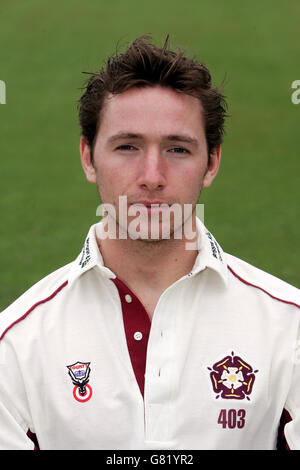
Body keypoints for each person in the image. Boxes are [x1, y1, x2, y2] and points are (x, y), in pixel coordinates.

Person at [0, 34, 299, 451]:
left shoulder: (290, 329)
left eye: (178, 149)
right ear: (88, 157)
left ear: (211, 162)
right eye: (127, 147)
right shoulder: (15, 345)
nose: (152, 175)